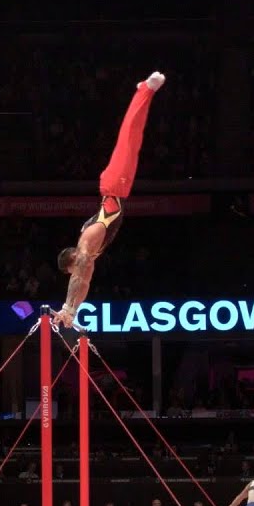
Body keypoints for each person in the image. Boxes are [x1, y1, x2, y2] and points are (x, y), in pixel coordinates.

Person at [53, 71, 166, 329]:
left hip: (113, 186)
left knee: (129, 138)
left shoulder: (85, 244)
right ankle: (143, 92)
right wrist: (73, 313)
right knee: (133, 141)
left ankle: (144, 89)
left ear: (71, 261)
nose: (79, 271)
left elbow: (79, 278)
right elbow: (85, 283)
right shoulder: (90, 255)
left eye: (74, 270)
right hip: (120, 190)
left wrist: (66, 307)